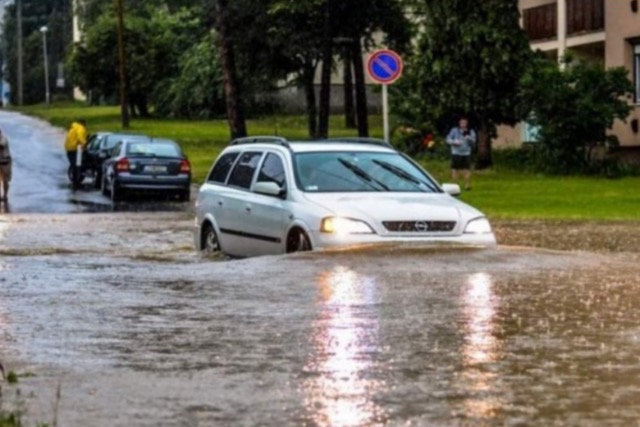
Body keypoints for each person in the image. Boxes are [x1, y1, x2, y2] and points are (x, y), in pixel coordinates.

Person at [446, 117, 476, 191]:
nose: (463, 124)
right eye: (461, 123)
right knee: (455, 168)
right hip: (456, 152)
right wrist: (454, 142)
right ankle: (455, 184)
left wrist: (469, 138)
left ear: (467, 124)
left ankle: (467, 184)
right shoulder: (454, 131)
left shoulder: (471, 131)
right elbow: (448, 139)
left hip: (466, 153)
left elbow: (473, 143)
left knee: (467, 169)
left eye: (464, 123)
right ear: (459, 123)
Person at [64, 119, 88, 190]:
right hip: (76, 149)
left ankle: (75, 181)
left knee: (73, 165)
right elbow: (80, 137)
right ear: (83, 123)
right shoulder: (80, 128)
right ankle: (76, 183)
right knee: (77, 166)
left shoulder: (72, 127)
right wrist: (85, 144)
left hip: (68, 148)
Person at [0, 128, 11, 202]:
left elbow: (1, 146)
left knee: (5, 180)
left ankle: (5, 195)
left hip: (5, 163)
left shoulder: (4, 139)